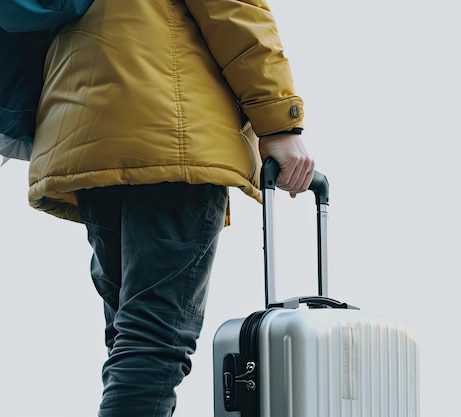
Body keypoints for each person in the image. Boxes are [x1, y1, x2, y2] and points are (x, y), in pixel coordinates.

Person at [27, 1, 315, 416]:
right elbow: (235, 11)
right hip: (170, 125)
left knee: (131, 338)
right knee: (155, 339)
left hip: (85, 125)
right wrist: (280, 123)